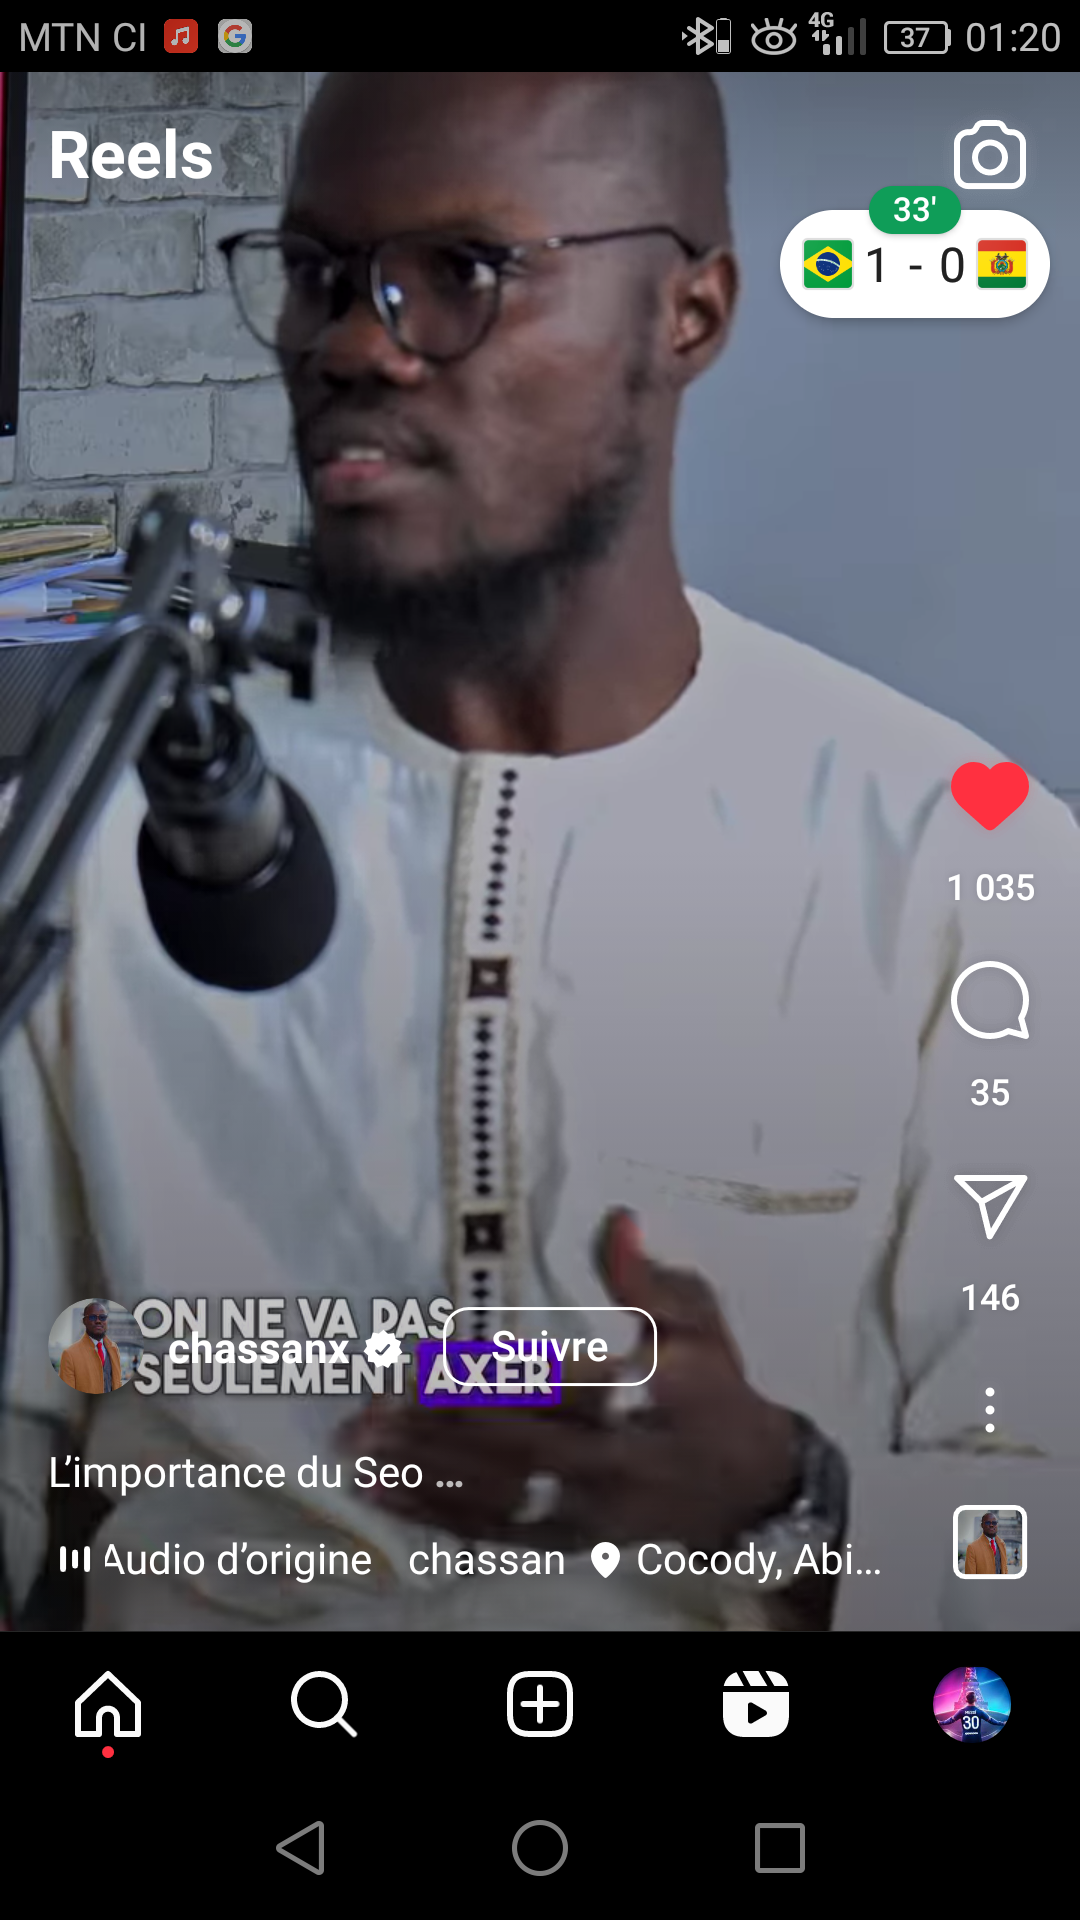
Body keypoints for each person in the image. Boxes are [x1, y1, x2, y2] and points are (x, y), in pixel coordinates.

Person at [1, 71, 1078, 1634]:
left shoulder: (962, 867)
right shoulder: (99, 824)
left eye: (463, 271)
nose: (352, 344)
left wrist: (788, 1505)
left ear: (689, 314)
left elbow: (1043, 1524)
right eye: (315, 274)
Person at [58, 1303, 122, 1396]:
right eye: (92, 1317)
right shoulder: (69, 1354)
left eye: (102, 1317)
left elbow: (117, 1383)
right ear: (84, 1321)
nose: (98, 1321)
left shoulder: (114, 1349)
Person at [939, 1689, 1007, 1743]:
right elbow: (991, 1721)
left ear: (966, 1700)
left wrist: (940, 1722)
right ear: (975, 1699)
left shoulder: (961, 1711)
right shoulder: (980, 1711)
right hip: (977, 1739)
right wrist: (1002, 1723)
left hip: (965, 1739)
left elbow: (950, 1720)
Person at [964, 1512, 1013, 1576]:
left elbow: (1004, 1568)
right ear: (982, 1525)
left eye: (994, 1523)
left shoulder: (1002, 1544)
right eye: (987, 1523)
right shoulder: (972, 1548)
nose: (991, 1525)